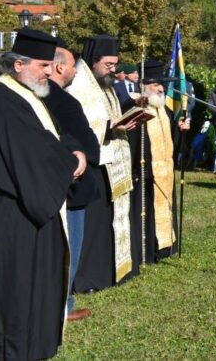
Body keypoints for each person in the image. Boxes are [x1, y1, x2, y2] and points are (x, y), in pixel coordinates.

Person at [0, 28, 82, 360]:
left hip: (22, 215)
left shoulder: (23, 95)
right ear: (18, 64)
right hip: (9, 222)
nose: (49, 73)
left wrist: (68, 153)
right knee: (12, 300)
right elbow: (34, 158)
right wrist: (71, 162)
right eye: (42, 65)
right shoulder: (3, 103)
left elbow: (52, 139)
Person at [68, 35, 137, 292]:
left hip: (112, 162)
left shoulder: (105, 84)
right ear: (93, 61)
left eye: (114, 64)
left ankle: (108, 272)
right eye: (108, 64)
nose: (113, 69)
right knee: (92, 226)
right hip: (93, 165)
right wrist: (111, 128)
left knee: (108, 222)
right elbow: (79, 125)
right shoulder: (78, 84)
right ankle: (87, 278)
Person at [44, 44, 100, 323]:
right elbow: (85, 141)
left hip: (52, 184)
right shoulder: (62, 101)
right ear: (59, 67)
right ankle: (63, 307)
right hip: (72, 184)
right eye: (71, 65)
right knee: (70, 250)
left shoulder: (37, 96)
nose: (76, 70)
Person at [130, 60, 187, 268]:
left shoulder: (165, 111)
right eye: (156, 85)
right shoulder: (137, 108)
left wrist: (180, 131)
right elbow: (134, 143)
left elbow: (173, 143)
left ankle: (165, 248)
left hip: (165, 173)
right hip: (146, 173)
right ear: (144, 86)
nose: (161, 88)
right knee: (147, 213)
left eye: (161, 85)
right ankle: (149, 251)